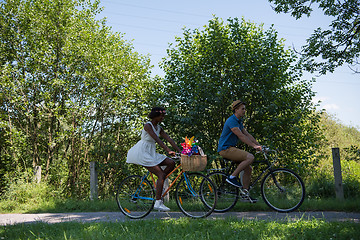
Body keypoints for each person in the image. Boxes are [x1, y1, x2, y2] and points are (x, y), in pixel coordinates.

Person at [126, 107, 181, 211]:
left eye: (163, 116)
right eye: (161, 116)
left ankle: (159, 185)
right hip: (143, 152)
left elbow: (169, 139)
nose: (162, 118)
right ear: (154, 116)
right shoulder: (148, 126)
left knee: (171, 163)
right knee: (161, 174)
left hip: (151, 153)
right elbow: (157, 139)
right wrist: (168, 150)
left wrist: (180, 151)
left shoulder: (159, 128)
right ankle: (158, 202)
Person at [217, 100, 262, 202]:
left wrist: (259, 145)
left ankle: (245, 195)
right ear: (236, 110)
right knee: (250, 157)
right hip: (225, 149)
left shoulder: (238, 121)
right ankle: (232, 177)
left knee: (248, 169)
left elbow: (247, 134)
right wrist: (254, 146)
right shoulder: (231, 120)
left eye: (245, 109)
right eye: (243, 109)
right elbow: (241, 136)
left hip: (231, 148)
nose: (244, 111)